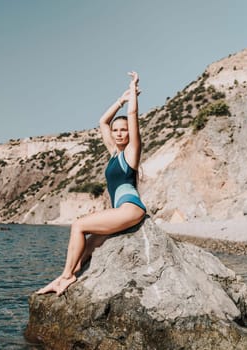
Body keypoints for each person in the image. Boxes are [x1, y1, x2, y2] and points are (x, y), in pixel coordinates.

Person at [36, 71, 146, 296]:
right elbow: (102, 121)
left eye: (123, 130)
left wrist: (133, 93)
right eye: (116, 130)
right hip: (121, 211)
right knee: (86, 248)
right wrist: (120, 100)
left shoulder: (131, 154)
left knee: (78, 225)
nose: (118, 133)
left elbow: (133, 114)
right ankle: (66, 275)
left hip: (131, 209)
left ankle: (66, 278)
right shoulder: (114, 153)